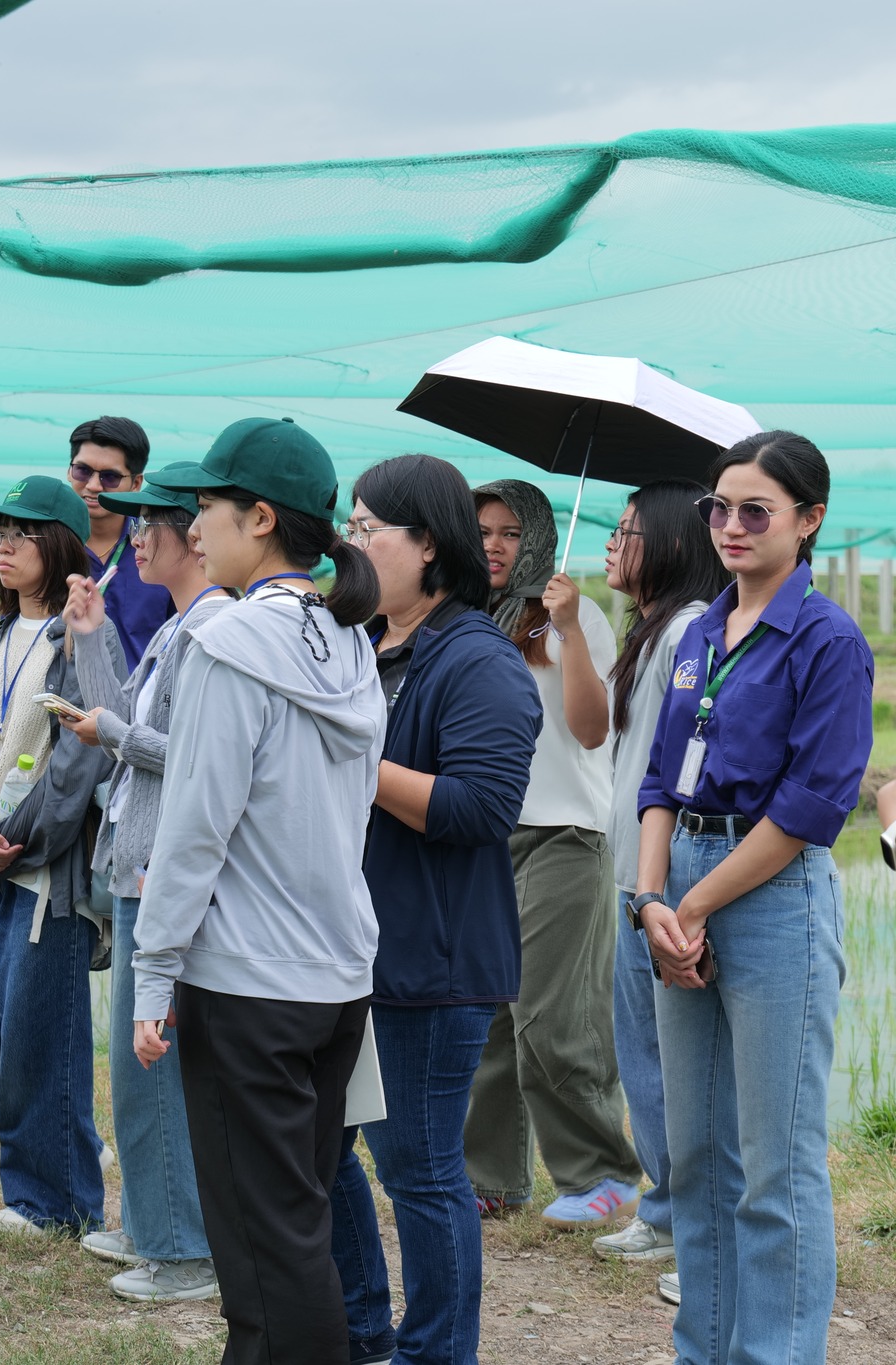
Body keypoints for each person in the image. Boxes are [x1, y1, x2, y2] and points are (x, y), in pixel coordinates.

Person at [129, 418, 387, 1365]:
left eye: (207, 507)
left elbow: (196, 827)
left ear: (263, 518)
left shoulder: (232, 641)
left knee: (265, 1249)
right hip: (333, 979)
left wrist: (153, 978)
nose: (193, 525)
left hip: (247, 987)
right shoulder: (347, 638)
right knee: (295, 1225)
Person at [635, 431, 872, 1362]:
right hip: (677, 886)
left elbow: (812, 807)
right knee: (695, 1157)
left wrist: (689, 912)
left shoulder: (828, 638)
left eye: (755, 511)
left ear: (809, 521)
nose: (730, 527)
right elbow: (660, 777)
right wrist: (652, 899)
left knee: (773, 1166)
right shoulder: (699, 629)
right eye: (717, 509)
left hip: (771, 895)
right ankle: (709, 1347)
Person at [329, 453, 541, 1365]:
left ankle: (437, 1351)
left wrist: (350, 763)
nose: (353, 540)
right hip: (345, 944)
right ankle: (359, 1327)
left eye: (372, 526)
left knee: (418, 1168)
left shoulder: (477, 657)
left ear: (428, 544)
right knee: (323, 1146)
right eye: (352, 521)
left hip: (433, 954)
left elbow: (482, 808)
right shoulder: (362, 642)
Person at [61, 461, 228, 1301]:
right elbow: (119, 720)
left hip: (165, 868)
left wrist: (117, 730)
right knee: (142, 1062)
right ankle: (157, 1225)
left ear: (188, 531)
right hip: (140, 862)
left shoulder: (212, 629)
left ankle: (182, 1248)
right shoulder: (174, 626)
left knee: (149, 1063)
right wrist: (90, 635)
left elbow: (197, 755)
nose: (131, 538)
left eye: (143, 523)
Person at [463, 480, 644, 1228]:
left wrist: (567, 628)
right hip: (484, 833)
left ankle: (604, 1172)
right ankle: (491, 1177)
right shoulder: (465, 619)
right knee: (487, 1012)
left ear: (536, 538)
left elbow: (592, 729)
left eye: (510, 532)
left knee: (548, 1012)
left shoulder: (575, 615)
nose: (495, 545)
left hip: (564, 833)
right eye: (482, 531)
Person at [0, 475, 116, 1237]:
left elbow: (77, 764)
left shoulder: (78, 636)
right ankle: (69, 1164)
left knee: (36, 1037)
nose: (4, 544)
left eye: (21, 532)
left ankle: (52, 1199)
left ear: (58, 545)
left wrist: (10, 837)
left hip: (45, 874)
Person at [590, 481, 726, 1277]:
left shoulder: (682, 632)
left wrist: (657, 887)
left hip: (659, 881)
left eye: (629, 530)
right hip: (631, 875)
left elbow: (676, 775)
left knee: (670, 1057)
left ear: (673, 545)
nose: (613, 543)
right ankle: (670, 1206)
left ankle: (688, 1216)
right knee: (644, 1051)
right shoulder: (651, 629)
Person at [68, 416, 174, 659]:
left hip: (140, 695)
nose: (93, 486)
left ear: (136, 483)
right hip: (58, 697)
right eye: (83, 471)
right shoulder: (47, 547)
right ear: (69, 471)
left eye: (109, 477)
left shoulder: (162, 548)